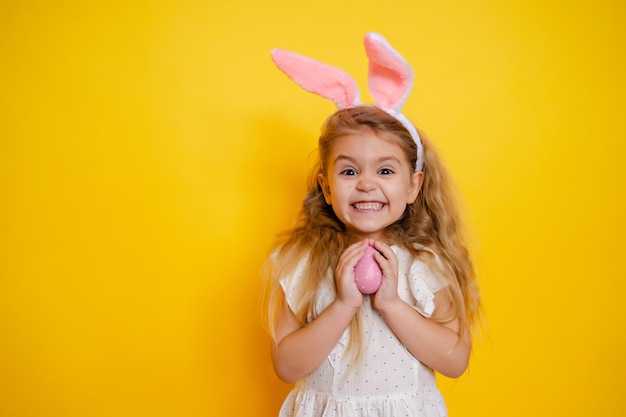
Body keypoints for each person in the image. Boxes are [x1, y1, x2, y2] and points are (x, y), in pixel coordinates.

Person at [263, 33, 481, 417]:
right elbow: (287, 366)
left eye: (384, 170)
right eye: (349, 170)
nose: (366, 183)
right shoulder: (300, 262)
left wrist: (392, 303)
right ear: (326, 187)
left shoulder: (424, 262)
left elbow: (455, 361)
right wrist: (344, 304)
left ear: (413, 186)